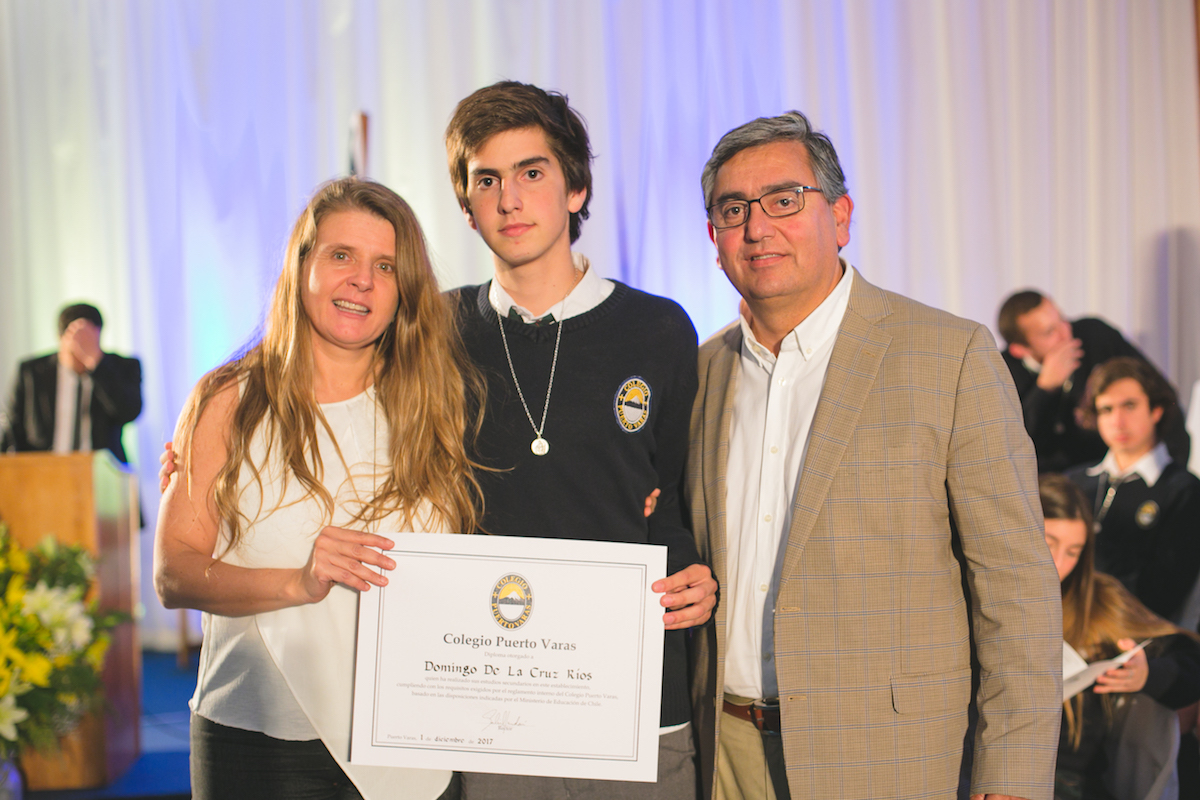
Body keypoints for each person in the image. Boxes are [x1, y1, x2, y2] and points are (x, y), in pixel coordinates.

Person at [686, 111, 1063, 800]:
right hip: (723, 753)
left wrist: (1012, 774)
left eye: (784, 200)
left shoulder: (950, 356)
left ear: (841, 216)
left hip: (885, 754)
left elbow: (1015, 586)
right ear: (715, 239)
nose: (757, 227)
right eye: (733, 209)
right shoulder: (702, 372)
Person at [154, 177, 479, 800]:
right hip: (262, 741)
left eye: (385, 266)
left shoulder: (435, 405)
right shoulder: (229, 400)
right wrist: (296, 583)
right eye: (341, 256)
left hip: (410, 735)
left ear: (404, 291)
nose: (362, 280)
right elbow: (174, 575)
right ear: (301, 266)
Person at [443, 81, 716, 800]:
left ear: (576, 189)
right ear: (466, 205)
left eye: (532, 173)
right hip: (490, 705)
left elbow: (677, 497)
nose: (510, 199)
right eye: (487, 180)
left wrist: (694, 572)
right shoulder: (435, 333)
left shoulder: (658, 329)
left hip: (634, 698)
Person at [1040, 473, 1200, 800]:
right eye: (1048, 543)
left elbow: (1187, 658)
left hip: (1067, 780)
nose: (1058, 563)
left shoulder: (1097, 601)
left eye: (1073, 552)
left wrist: (1147, 674)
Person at [1065, 356, 1200, 625]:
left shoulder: (1183, 490)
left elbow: (1164, 592)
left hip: (1135, 633)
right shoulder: (1074, 482)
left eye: (1129, 406)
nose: (1118, 421)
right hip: (1062, 627)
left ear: (1156, 410)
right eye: (1106, 409)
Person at [997, 289, 1190, 473]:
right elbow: (1013, 445)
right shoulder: (1003, 372)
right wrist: (1044, 389)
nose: (1066, 333)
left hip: (1112, 470)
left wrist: (1173, 468)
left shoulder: (1095, 336)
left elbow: (1161, 394)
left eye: (1062, 319)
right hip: (1049, 483)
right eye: (1049, 332)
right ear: (1019, 350)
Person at [1, 302, 142, 462]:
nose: (81, 355)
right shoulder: (31, 372)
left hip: (99, 468)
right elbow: (11, 428)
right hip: (43, 467)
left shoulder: (122, 367)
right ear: (60, 338)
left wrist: (96, 363)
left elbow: (129, 412)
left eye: (88, 344)